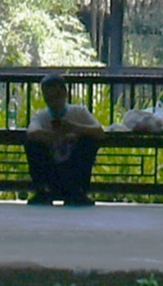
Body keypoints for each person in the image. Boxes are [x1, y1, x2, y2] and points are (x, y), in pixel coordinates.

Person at [23, 76, 105, 206]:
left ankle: (77, 190)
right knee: (32, 144)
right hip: (51, 168)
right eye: (49, 97)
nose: (53, 101)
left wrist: (74, 128)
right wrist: (54, 135)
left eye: (57, 96)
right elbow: (31, 133)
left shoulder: (79, 112)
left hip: (73, 167)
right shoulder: (41, 116)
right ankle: (43, 189)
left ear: (65, 93)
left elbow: (99, 132)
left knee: (88, 141)